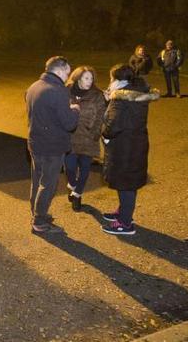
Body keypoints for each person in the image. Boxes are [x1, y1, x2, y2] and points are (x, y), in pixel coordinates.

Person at [100, 64, 159, 235]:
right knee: (128, 181)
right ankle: (123, 212)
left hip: (123, 146)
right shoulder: (138, 93)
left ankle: (125, 223)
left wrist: (104, 131)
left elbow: (112, 125)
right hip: (135, 142)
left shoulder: (120, 99)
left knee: (125, 182)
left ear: (117, 80)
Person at [25, 56, 80, 234]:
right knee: (48, 184)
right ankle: (39, 222)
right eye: (67, 72)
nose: (68, 76)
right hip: (51, 146)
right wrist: (75, 110)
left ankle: (36, 213)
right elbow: (69, 124)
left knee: (37, 180)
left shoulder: (34, 86)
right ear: (59, 70)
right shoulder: (58, 90)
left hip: (36, 142)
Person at [64, 66, 107, 212]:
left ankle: (77, 194)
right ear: (78, 78)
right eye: (86, 78)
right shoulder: (66, 91)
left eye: (91, 78)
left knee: (85, 169)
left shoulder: (97, 95)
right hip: (70, 136)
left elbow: (101, 115)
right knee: (69, 168)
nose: (90, 81)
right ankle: (72, 184)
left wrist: (95, 133)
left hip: (89, 138)